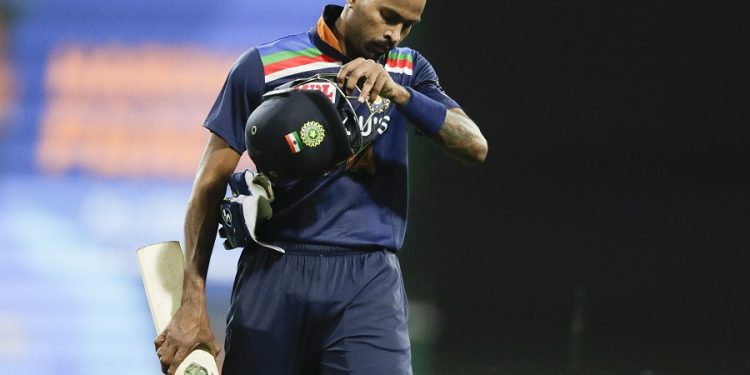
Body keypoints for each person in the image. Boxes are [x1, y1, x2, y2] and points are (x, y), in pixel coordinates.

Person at [154, 0, 488, 374]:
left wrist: (401, 94)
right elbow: (209, 184)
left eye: (408, 26)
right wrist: (192, 301)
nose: (394, 35)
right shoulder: (264, 66)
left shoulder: (407, 69)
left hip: (368, 281)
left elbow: (475, 144)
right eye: (388, 17)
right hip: (275, 270)